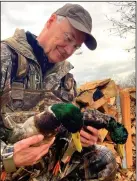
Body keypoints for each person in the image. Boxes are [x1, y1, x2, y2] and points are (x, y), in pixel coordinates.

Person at [0, 3, 116, 181]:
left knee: (103, 160)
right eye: (68, 38)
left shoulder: (66, 79)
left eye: (76, 46)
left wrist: (81, 134)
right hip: (9, 170)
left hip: (48, 169)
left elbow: (64, 131)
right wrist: (8, 157)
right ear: (51, 21)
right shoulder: (5, 58)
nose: (69, 50)